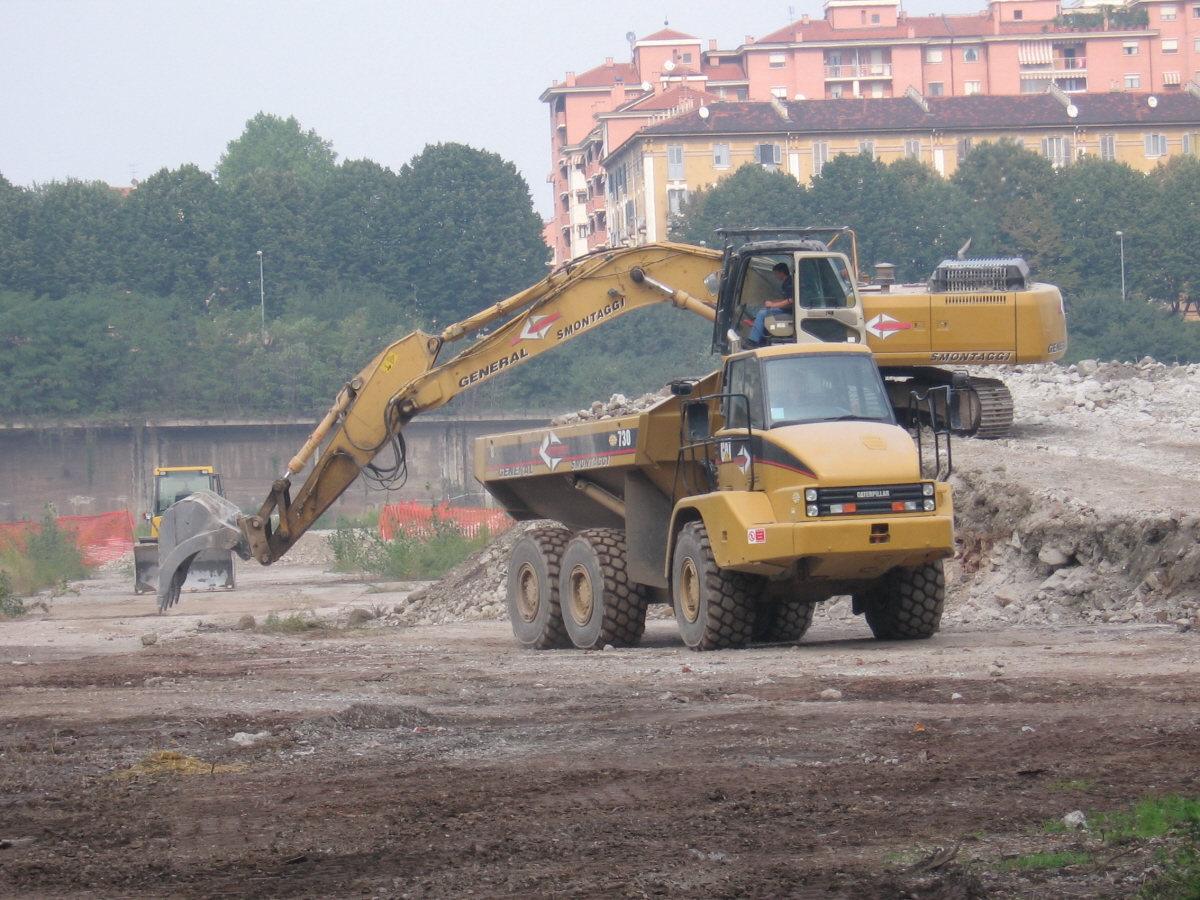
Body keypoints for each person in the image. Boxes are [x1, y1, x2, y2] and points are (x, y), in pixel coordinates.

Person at [747, 262, 793, 346]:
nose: (775, 276)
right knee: (764, 309)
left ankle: (754, 341)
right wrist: (774, 302)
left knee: (762, 314)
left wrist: (773, 305)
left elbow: (790, 300)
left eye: (776, 273)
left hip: (789, 311)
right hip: (787, 308)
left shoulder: (789, 283)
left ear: (781, 272)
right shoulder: (787, 282)